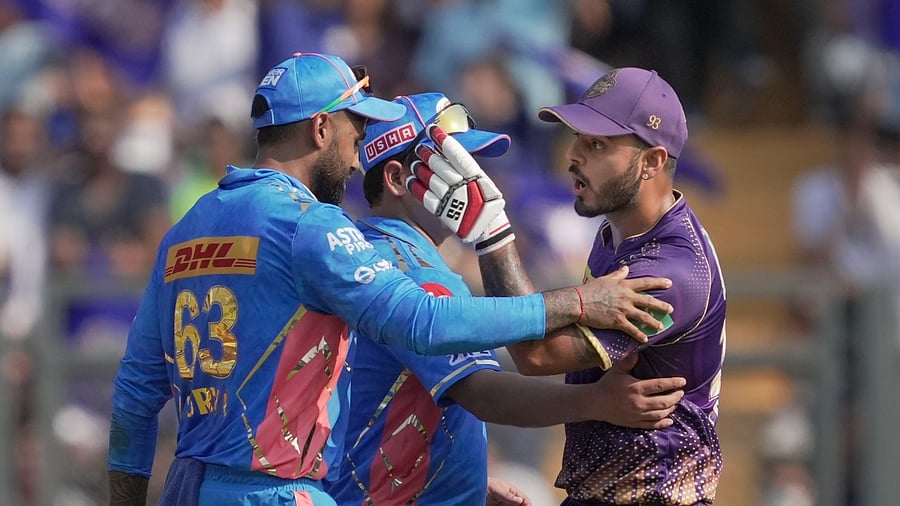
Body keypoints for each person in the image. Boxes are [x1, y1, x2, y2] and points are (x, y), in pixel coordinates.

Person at [106, 53, 676, 506]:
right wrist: (578, 303)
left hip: (190, 485)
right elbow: (427, 325)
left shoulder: (187, 226)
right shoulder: (310, 227)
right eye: (355, 135)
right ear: (322, 128)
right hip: (276, 492)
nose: (354, 163)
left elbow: (135, 397)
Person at [327, 92, 687, 506]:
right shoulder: (417, 275)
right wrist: (598, 401)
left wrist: (461, 482)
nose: (477, 180)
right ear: (396, 178)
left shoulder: (366, 255)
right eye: (455, 165)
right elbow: (483, 393)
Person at [410, 67, 727, 505]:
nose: (573, 154)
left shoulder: (673, 270)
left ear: (652, 161)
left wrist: (492, 234)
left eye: (597, 144)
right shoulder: (617, 232)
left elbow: (535, 353)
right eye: (577, 137)